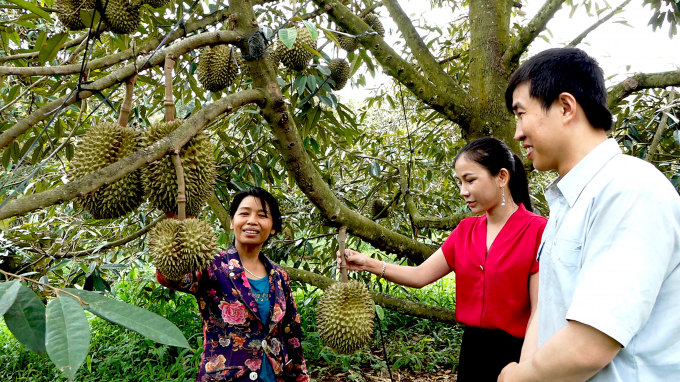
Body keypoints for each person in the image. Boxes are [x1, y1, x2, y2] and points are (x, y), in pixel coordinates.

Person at [498, 47, 680, 382]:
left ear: (566, 107)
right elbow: (548, 309)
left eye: (521, 114)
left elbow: (589, 345)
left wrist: (517, 378)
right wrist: (526, 371)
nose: (518, 133)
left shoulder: (629, 190)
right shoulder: (568, 203)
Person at [340, 137, 547, 382]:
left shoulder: (538, 231)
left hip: (518, 352)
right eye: (460, 182)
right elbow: (420, 276)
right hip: (472, 352)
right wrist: (368, 263)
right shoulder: (465, 230)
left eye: (470, 180)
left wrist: (524, 370)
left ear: (502, 177)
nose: (463, 191)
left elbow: (539, 311)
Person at [157, 187, 310, 382]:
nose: (252, 220)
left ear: (273, 227)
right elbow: (171, 277)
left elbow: (292, 334)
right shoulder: (210, 266)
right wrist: (175, 226)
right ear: (232, 222)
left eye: (262, 215)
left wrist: (301, 377)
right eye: (244, 213)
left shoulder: (280, 277)